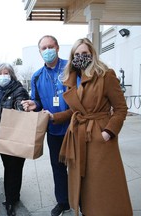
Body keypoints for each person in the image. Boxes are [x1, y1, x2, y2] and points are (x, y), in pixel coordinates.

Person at [47, 38, 133, 216]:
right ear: (72, 57)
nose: (80, 57)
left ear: (92, 54)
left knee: (102, 184)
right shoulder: (72, 78)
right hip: (78, 137)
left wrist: (108, 132)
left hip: (99, 136)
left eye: (84, 53)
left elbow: (120, 108)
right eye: (77, 54)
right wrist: (53, 117)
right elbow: (75, 111)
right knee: (84, 183)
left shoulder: (105, 75)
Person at [21, 35, 71, 216]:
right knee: (58, 168)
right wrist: (34, 105)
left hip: (74, 128)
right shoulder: (37, 76)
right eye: (44, 48)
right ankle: (63, 202)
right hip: (54, 130)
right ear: (40, 52)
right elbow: (38, 102)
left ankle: (81, 199)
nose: (48, 50)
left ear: (57, 47)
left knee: (78, 167)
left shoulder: (70, 68)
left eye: (51, 46)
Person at [0, 63, 29, 216]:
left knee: (14, 169)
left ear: (11, 75)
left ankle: (10, 201)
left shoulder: (19, 90)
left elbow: (18, 113)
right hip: (2, 137)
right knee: (10, 168)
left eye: (6, 73)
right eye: (0, 73)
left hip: (17, 137)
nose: (3, 76)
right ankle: (14, 196)